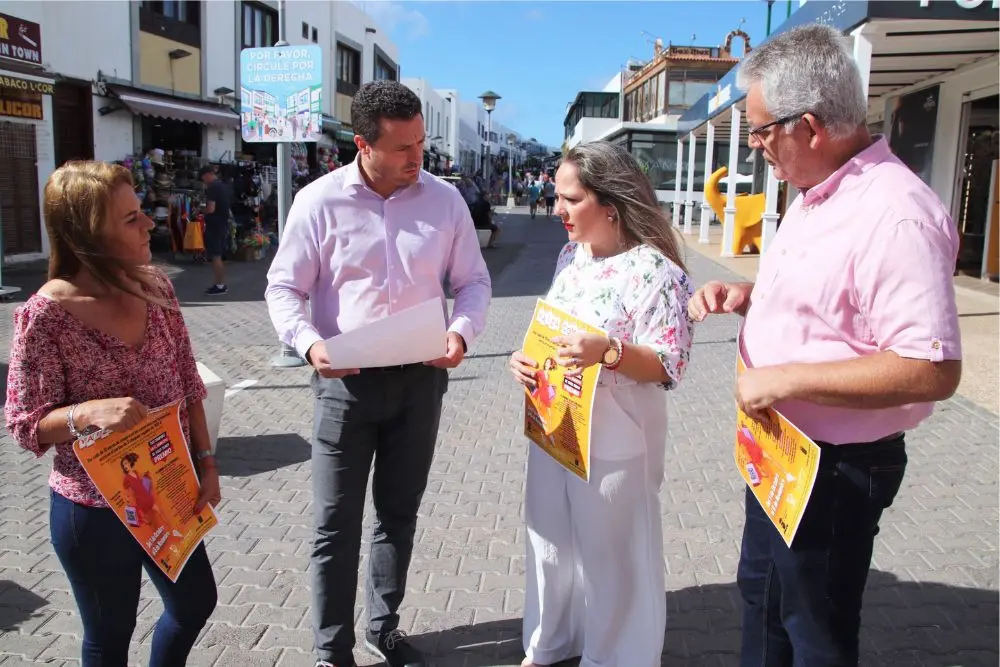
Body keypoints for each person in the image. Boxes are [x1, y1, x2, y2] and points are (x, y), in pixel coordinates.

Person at [688, 25, 962, 667]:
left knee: (813, 632)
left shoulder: (895, 215)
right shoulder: (817, 193)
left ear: (809, 127)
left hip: (835, 469)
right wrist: (750, 298)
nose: (756, 148)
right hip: (780, 454)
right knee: (762, 602)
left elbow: (931, 367)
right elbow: (834, 307)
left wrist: (784, 379)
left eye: (760, 131)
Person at [265, 80, 492, 667]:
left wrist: (461, 333)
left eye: (421, 144)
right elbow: (284, 288)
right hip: (344, 384)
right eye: (402, 148)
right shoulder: (317, 202)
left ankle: (382, 627)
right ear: (363, 144)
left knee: (398, 513)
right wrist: (310, 344)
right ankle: (330, 649)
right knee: (334, 524)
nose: (418, 158)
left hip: (421, 383)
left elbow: (473, 282)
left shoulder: (445, 201)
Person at [5, 161, 221, 666]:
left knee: (195, 603)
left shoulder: (157, 288)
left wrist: (206, 464)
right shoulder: (44, 315)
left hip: (167, 489)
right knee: (109, 637)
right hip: (93, 509)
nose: (149, 223)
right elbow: (23, 423)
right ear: (86, 233)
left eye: (142, 211)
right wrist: (84, 413)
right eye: (130, 219)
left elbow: (189, 383)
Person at [508, 141, 694, 667]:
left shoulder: (655, 272)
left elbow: (669, 364)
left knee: (609, 556)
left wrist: (607, 353)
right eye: (557, 195)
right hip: (553, 424)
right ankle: (549, 642)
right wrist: (524, 360)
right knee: (548, 542)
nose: (556, 208)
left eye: (570, 198)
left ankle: (611, 656)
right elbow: (552, 334)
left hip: (615, 435)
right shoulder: (572, 256)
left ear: (609, 203)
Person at [199, 165, 230, 295]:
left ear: (207, 175)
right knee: (217, 255)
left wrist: (201, 211)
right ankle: (219, 283)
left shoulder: (213, 188)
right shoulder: (223, 186)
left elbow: (211, 208)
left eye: (203, 179)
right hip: (222, 224)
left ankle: (220, 285)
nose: (204, 182)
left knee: (216, 256)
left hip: (215, 225)